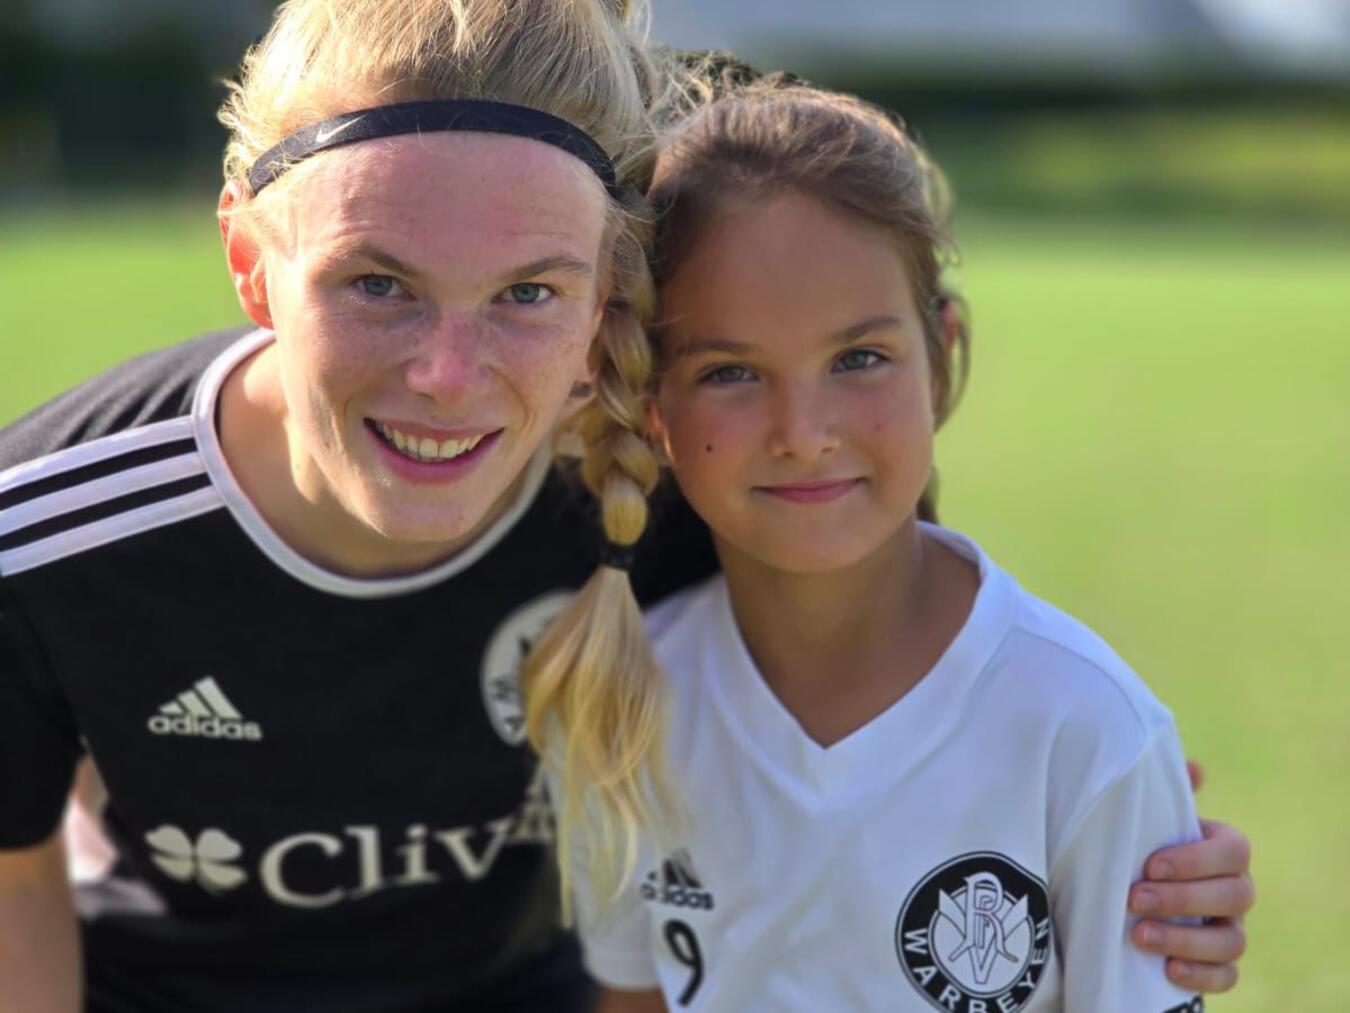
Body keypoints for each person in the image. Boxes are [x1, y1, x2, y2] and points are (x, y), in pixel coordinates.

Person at [0, 2, 1249, 1010]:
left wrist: (1129, 852)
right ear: (248, 262)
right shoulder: (45, 543)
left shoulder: (688, 476)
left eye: (530, 292)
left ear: (609, 300)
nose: (448, 373)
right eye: (377, 283)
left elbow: (931, 718)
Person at [527, 74, 1250, 1012]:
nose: (804, 429)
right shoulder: (626, 704)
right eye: (732, 371)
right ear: (652, 403)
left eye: (858, 358)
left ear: (939, 356)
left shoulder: (1086, 727)